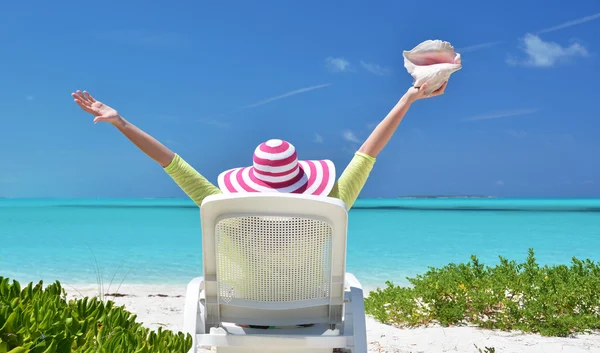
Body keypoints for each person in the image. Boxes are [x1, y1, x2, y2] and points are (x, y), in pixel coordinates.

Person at [71, 82, 447, 211]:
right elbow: (368, 153)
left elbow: (171, 162)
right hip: (311, 315)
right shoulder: (333, 203)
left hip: (244, 319)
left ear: (252, 177)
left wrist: (120, 123)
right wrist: (407, 100)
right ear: (302, 176)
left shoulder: (220, 204)